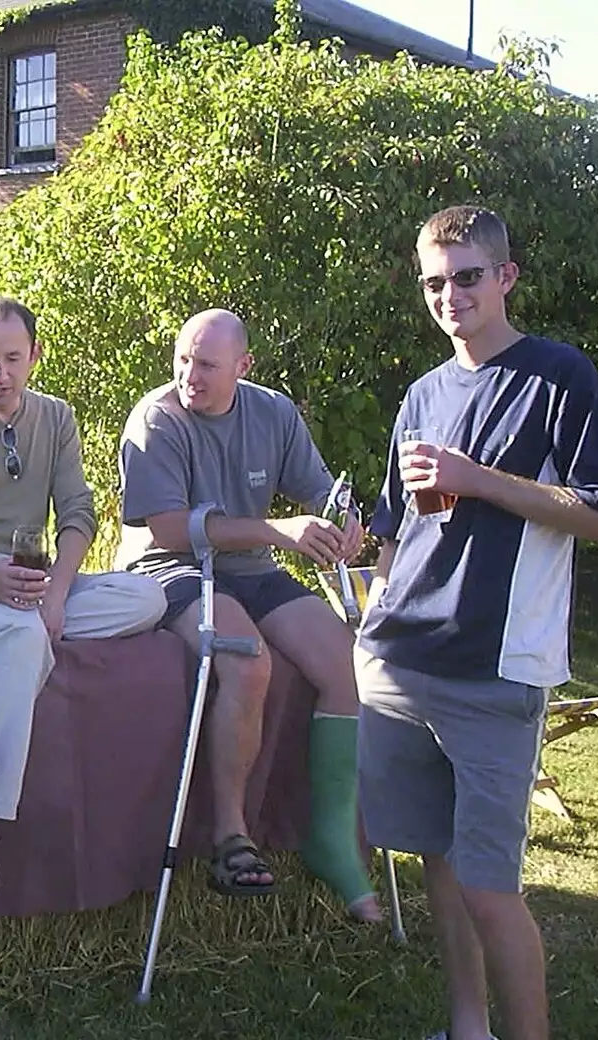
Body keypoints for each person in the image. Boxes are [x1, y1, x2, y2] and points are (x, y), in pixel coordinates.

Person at [356, 206, 598, 1040]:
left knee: (489, 885)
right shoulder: (424, 394)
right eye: (435, 282)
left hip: (495, 670)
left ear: (506, 277)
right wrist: (371, 618)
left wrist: (480, 478)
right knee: (441, 866)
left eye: (468, 276)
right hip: (402, 664)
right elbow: (396, 528)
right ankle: (466, 1027)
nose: (452, 296)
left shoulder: (558, 376)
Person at [0, 296, 167, 894]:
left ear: (34, 356)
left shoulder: (55, 418)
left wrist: (57, 595)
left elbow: (78, 514)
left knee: (149, 600)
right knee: (21, 635)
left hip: (31, 583)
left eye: (12, 359)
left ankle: (0, 630)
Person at [114, 308, 381, 921]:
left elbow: (321, 491)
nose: (189, 375)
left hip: (253, 568)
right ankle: (231, 835)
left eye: (206, 364)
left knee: (350, 666)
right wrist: (279, 530)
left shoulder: (273, 413)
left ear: (243, 366)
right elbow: (167, 529)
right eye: (182, 359)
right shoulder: (158, 418)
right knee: (244, 657)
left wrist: (343, 521)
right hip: (169, 566)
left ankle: (332, 837)